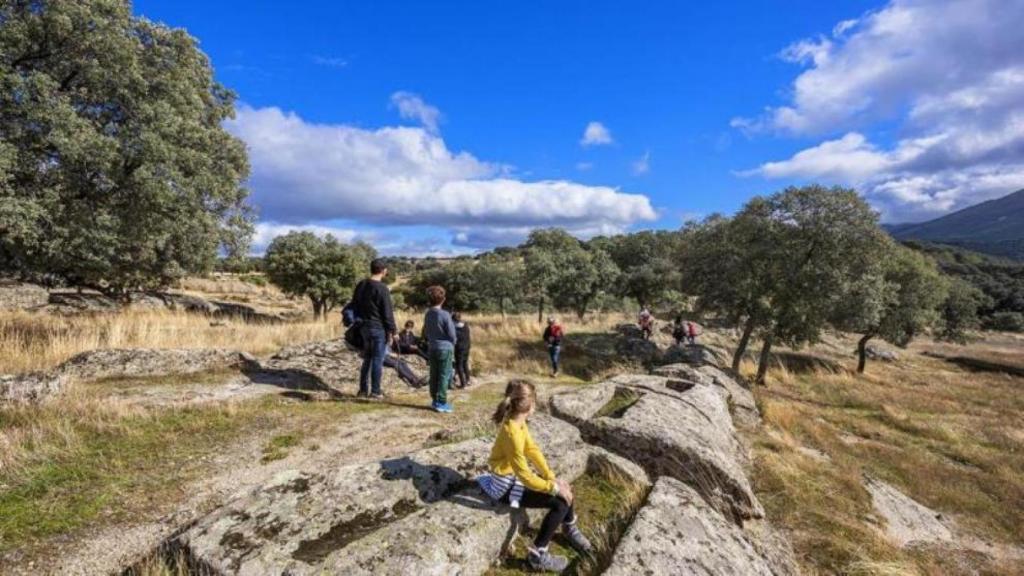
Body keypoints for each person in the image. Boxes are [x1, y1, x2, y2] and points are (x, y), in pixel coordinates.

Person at [476, 380, 593, 572]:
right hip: (505, 487)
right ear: (530, 405)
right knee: (560, 502)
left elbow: (532, 449)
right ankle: (538, 555)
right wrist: (553, 488)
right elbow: (524, 476)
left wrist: (552, 478)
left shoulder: (517, 422)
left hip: (512, 479)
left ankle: (569, 528)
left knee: (564, 487)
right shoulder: (511, 432)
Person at [350, 258, 397, 400]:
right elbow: (387, 312)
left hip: (363, 327)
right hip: (378, 328)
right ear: (384, 271)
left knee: (367, 358)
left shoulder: (361, 285)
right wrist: (393, 331)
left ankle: (363, 391)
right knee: (377, 359)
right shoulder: (382, 288)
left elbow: (354, 304)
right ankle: (375, 391)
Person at [423, 285, 457, 413]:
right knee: (444, 375)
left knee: (434, 374)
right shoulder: (445, 314)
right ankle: (441, 401)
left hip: (432, 347)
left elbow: (425, 331)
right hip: (444, 347)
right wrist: (453, 343)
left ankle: (434, 399)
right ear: (443, 299)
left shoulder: (428, 314)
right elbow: (452, 334)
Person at [453, 312, 472, 389]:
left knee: (459, 365)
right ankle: (468, 380)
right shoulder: (466, 326)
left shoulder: (455, 328)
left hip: (459, 348)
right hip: (467, 347)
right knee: (465, 363)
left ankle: (463, 384)